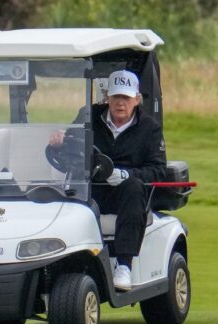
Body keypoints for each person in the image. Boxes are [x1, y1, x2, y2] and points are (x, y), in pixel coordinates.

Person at [50, 70, 167, 291]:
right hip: (90, 188)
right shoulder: (89, 116)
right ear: (107, 97)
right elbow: (70, 151)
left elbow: (158, 170)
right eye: (116, 97)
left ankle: (124, 265)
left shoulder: (149, 128)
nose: (120, 103)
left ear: (136, 99)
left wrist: (127, 175)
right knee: (59, 194)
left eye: (126, 97)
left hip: (124, 194)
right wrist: (58, 144)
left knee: (134, 188)